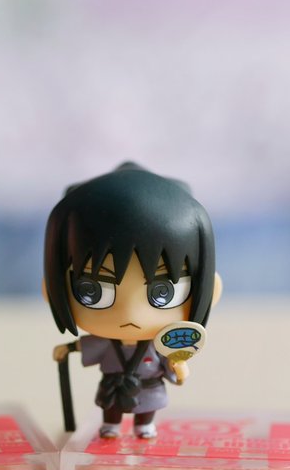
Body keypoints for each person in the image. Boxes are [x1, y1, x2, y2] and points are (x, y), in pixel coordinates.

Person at [43, 162, 221, 439]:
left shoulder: (162, 344)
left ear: (211, 291)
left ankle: (144, 425)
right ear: (50, 290)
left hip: (148, 388)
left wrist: (179, 365)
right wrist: (68, 348)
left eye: (163, 292)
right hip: (113, 388)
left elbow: (175, 368)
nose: (130, 314)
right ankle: (112, 426)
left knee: (146, 410)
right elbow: (87, 345)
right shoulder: (109, 343)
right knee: (111, 411)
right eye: (93, 290)